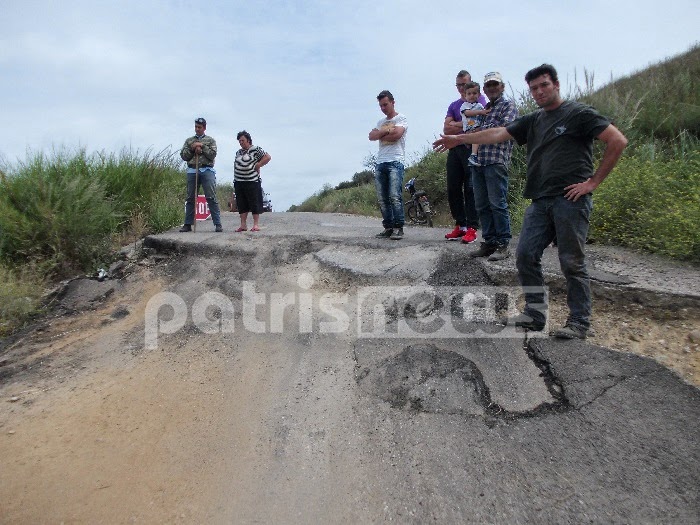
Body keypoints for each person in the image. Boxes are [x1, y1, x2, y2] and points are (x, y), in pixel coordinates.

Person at [433, 64, 628, 339]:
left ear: (556, 85)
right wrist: (459, 139)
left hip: (571, 199)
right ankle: (535, 315)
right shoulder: (534, 120)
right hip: (539, 200)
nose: (538, 92)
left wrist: (592, 183)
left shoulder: (578, 114)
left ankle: (579, 322)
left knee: (571, 261)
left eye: (544, 85)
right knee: (525, 255)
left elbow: (617, 141)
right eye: (533, 88)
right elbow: (498, 133)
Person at [467, 72, 518, 260]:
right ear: (485, 90)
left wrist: (480, 133)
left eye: (495, 84)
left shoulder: (508, 106)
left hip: (496, 160)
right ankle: (489, 242)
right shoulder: (486, 109)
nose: (492, 88)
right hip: (479, 161)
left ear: (502, 86)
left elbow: (504, 132)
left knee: (498, 203)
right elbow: (476, 133)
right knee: (481, 205)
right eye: (488, 85)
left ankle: (503, 244)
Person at [443, 70, 487, 244]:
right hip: (454, 149)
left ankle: (472, 227)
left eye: (464, 84)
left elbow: (479, 122)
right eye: (458, 85)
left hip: (472, 148)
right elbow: (446, 129)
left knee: (471, 188)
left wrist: (458, 123)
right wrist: (465, 123)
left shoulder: (479, 99)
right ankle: (460, 225)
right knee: (453, 187)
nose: (461, 88)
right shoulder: (454, 105)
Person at [368, 90, 408, 240]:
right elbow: (371, 136)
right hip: (380, 162)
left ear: (392, 102)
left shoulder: (401, 118)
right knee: (382, 197)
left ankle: (399, 227)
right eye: (381, 106)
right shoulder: (380, 122)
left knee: (394, 195)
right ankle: (388, 227)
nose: (383, 108)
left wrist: (381, 133)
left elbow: (397, 135)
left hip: (395, 161)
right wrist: (386, 131)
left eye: (385, 104)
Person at [179, 117, 223, 232]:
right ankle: (187, 224)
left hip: (207, 170)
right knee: (190, 198)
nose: (197, 129)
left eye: (199, 127)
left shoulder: (210, 140)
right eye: (196, 127)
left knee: (211, 197)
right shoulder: (189, 141)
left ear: (204, 128)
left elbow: (212, 155)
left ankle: (217, 224)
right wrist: (192, 148)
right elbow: (184, 156)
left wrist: (202, 147)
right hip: (192, 170)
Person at [233, 130, 271, 232]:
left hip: (252, 181)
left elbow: (267, 157)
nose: (241, 142)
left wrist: (258, 165)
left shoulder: (255, 149)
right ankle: (243, 225)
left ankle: (255, 224)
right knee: (241, 203)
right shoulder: (238, 152)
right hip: (239, 181)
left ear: (248, 140)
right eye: (239, 141)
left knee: (254, 202)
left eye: (242, 140)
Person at [460, 82, 490, 166]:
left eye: (474, 93)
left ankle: (476, 158)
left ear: (479, 94)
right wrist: (481, 112)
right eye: (469, 94)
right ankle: (473, 155)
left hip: (478, 127)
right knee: (476, 136)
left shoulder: (480, 105)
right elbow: (468, 113)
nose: (472, 95)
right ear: (465, 95)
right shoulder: (465, 105)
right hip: (470, 128)